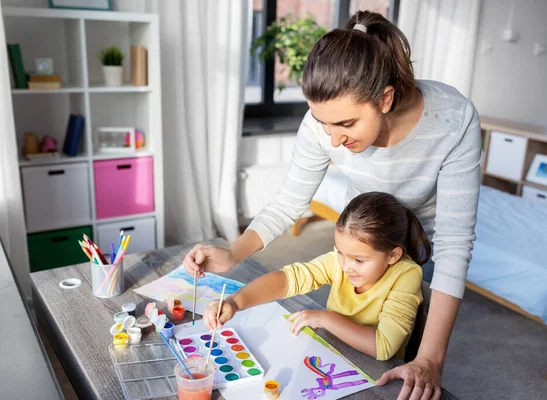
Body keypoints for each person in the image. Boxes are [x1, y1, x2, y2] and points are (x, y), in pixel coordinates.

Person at [185, 10, 482, 400]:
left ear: (385, 98)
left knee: (404, 348)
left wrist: (430, 359)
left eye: (346, 125)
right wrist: (232, 254)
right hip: (364, 230)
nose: (335, 140)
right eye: (324, 124)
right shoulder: (323, 124)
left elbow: (454, 245)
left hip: (411, 243)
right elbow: (290, 200)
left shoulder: (453, 120)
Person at [204, 192, 429, 361]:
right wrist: (235, 302)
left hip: (375, 373)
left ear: (393, 255)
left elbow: (383, 347)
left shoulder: (407, 275)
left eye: (359, 260)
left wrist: (325, 318)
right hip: (333, 351)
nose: (346, 266)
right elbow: (289, 279)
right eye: (340, 252)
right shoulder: (341, 262)